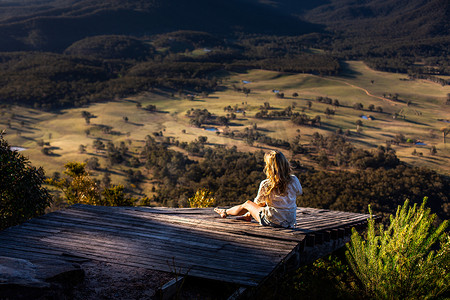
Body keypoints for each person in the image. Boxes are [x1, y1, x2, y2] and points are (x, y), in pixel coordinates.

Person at [214, 150, 302, 228]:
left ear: (269, 167)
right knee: (261, 207)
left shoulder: (266, 184)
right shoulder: (294, 180)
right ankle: (248, 215)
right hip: (289, 221)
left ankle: (225, 212)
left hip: (272, 220)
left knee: (248, 204)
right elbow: (299, 192)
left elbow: (258, 203)